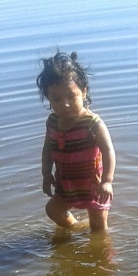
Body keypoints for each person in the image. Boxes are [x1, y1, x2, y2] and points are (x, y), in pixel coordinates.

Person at [36, 51, 116, 232]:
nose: (64, 104)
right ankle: (77, 227)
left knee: (98, 228)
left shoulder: (92, 123)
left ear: (84, 91)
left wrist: (107, 181)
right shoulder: (53, 122)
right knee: (53, 211)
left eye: (71, 97)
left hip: (93, 185)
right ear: (48, 98)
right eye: (56, 99)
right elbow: (47, 148)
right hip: (66, 184)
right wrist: (46, 174)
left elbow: (108, 151)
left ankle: (104, 255)